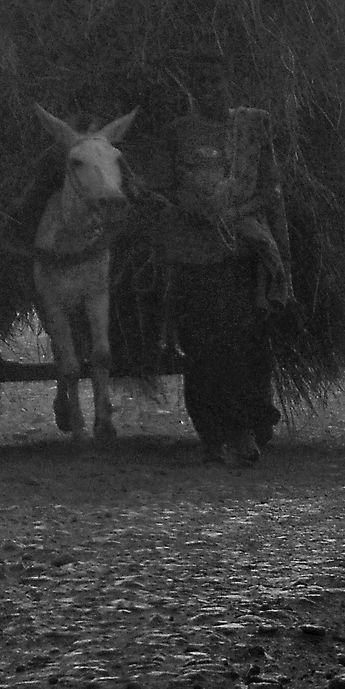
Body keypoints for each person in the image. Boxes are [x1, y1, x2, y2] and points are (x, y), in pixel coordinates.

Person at [146, 61, 290, 464]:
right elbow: (160, 188)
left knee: (245, 345)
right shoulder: (177, 134)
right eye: (203, 83)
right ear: (192, 89)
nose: (212, 91)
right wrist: (190, 208)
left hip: (240, 257)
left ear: (231, 86)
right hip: (192, 259)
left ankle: (245, 430)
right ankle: (212, 436)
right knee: (202, 349)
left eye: (218, 82)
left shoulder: (251, 131)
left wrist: (234, 212)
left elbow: (270, 190)